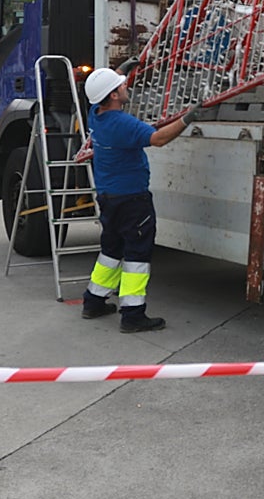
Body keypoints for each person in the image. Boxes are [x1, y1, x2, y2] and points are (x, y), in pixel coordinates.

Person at [79, 67, 208, 333]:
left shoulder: (97, 115)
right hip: (131, 200)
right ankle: (133, 314)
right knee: (137, 255)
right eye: (121, 85)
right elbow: (158, 139)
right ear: (114, 95)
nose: (126, 87)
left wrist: (122, 70)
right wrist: (188, 118)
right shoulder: (122, 124)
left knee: (111, 250)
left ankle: (93, 301)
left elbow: (105, 90)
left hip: (109, 197)